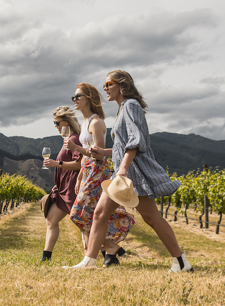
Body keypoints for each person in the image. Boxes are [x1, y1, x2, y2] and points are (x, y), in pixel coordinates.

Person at [66, 70, 192, 272]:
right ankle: (89, 261)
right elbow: (121, 148)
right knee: (99, 213)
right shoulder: (123, 108)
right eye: (105, 85)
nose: (105, 88)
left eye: (109, 84)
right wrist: (104, 152)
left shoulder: (131, 106)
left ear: (122, 85)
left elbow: (135, 142)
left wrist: (123, 168)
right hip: (123, 172)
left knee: (152, 218)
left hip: (134, 174)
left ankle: (181, 261)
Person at [66, 83, 135, 266]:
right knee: (89, 214)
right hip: (88, 170)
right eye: (73, 97)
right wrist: (80, 175)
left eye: (78, 96)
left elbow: (99, 152)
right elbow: (85, 155)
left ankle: (103, 250)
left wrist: (76, 148)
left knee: (78, 214)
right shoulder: (85, 123)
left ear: (88, 98)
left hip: (97, 170)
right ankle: (108, 250)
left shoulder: (96, 122)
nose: (74, 100)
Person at [41, 106, 83, 262]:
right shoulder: (68, 139)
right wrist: (58, 183)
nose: (55, 126)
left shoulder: (74, 139)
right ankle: (46, 257)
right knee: (51, 220)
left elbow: (79, 164)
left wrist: (56, 163)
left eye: (57, 123)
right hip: (63, 189)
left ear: (66, 122)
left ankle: (111, 250)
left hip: (72, 189)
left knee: (83, 222)